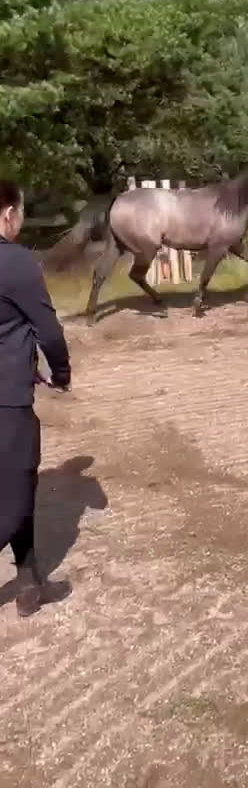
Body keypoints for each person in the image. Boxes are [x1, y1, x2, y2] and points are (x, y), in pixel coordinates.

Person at [0, 179, 72, 617]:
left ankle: (30, 581)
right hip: (5, 400)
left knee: (18, 486)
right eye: (21, 215)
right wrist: (61, 373)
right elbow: (49, 331)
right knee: (16, 489)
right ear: (9, 214)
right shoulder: (16, 263)